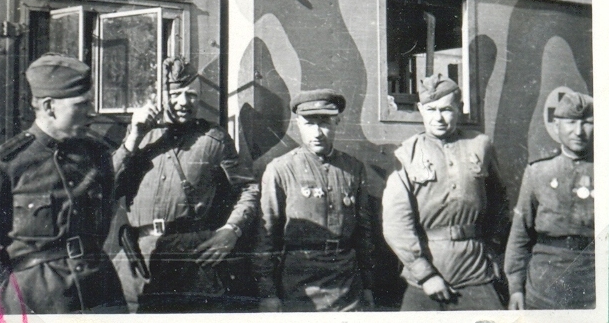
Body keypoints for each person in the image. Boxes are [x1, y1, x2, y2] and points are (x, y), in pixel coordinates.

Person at [0, 53, 126, 314]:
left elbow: (102, 225)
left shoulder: (97, 155)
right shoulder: (3, 166)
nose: (92, 112)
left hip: (101, 293)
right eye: (82, 104)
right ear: (50, 107)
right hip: (38, 301)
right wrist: (6, 302)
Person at [112, 57, 260, 313]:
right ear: (159, 97)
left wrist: (231, 230)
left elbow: (248, 189)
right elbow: (107, 187)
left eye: (191, 95)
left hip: (191, 260)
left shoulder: (213, 139)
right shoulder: (140, 136)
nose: (184, 102)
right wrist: (134, 137)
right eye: (175, 94)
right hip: (140, 257)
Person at [382, 73, 509, 311]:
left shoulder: (480, 145)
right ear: (421, 110)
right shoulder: (407, 154)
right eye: (431, 110)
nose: (438, 118)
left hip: (475, 271)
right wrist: (425, 274)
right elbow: (395, 224)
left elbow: (499, 203)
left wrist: (492, 249)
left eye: (446, 110)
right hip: (426, 275)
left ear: (459, 108)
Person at [254, 89, 375, 312]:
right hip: (300, 282)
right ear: (298, 124)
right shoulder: (281, 169)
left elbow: (364, 232)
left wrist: (367, 285)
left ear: (337, 122)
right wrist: (268, 293)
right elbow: (266, 235)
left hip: (347, 282)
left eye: (324, 123)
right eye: (309, 124)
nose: (317, 133)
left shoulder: (353, 168)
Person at [504, 91, 594, 310]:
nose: (578, 131)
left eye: (587, 123)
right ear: (556, 126)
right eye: (571, 122)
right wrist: (516, 288)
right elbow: (520, 234)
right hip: (545, 286)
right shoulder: (538, 172)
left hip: (595, 285)